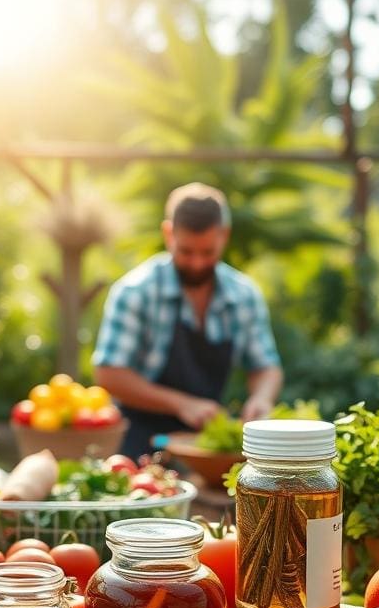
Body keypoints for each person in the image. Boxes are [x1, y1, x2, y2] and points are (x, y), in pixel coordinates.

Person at [92, 183, 283, 459]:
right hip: (139, 443)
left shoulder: (243, 295)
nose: (196, 263)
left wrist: (261, 399)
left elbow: (266, 367)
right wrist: (181, 404)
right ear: (168, 234)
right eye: (186, 252)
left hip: (204, 444)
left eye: (207, 253)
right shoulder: (135, 291)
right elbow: (109, 373)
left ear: (224, 236)